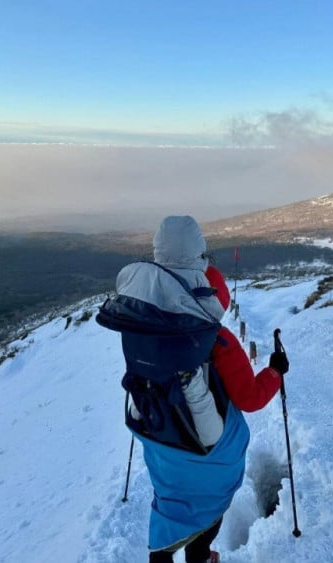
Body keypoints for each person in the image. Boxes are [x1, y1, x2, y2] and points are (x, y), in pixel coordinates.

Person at [116, 216, 287, 563]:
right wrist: (275, 372)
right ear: (201, 259)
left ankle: (164, 553)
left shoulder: (139, 324)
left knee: (169, 510)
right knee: (206, 515)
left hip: (160, 439)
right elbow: (250, 399)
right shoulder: (216, 338)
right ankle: (200, 556)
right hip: (209, 454)